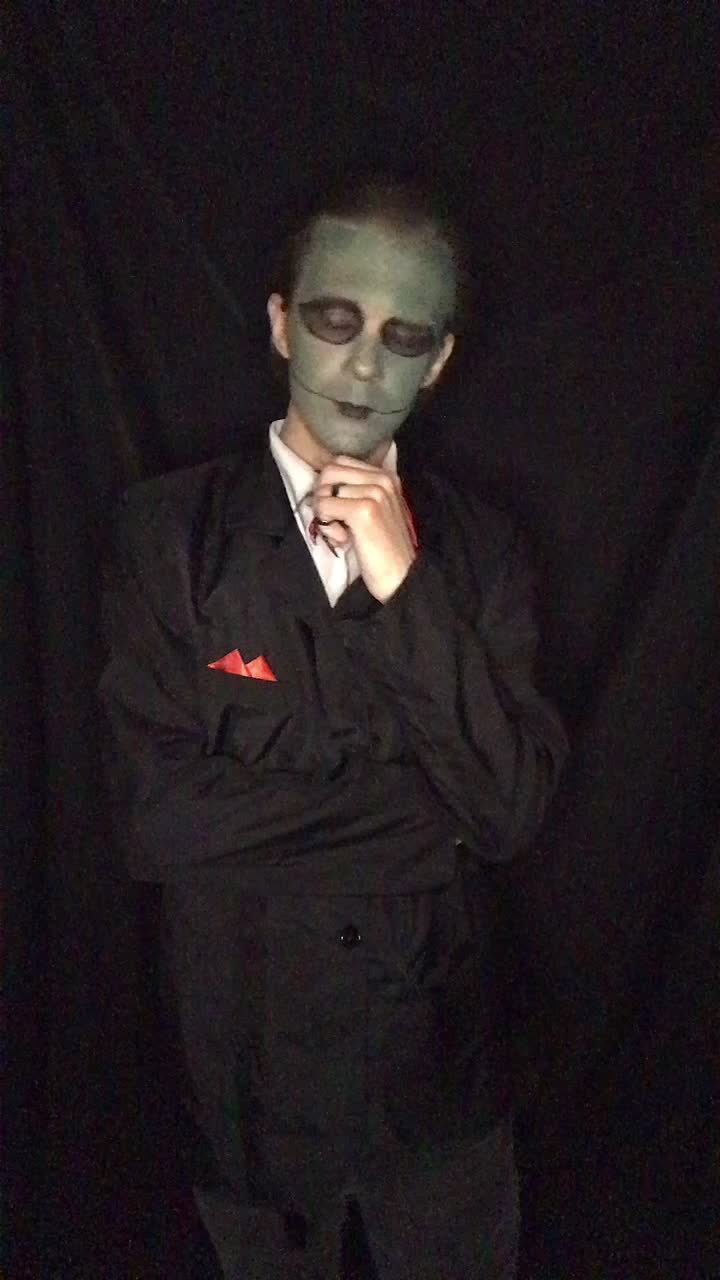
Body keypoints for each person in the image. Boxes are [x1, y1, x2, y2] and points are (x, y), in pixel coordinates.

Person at [99, 175, 568, 1279]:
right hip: (246, 1086)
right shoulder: (167, 533)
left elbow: (511, 810)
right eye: (334, 319)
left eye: (405, 337)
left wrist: (409, 594)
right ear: (279, 323)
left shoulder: (485, 551)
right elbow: (154, 818)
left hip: (439, 1085)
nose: (364, 366)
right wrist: (426, 824)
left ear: (439, 360)